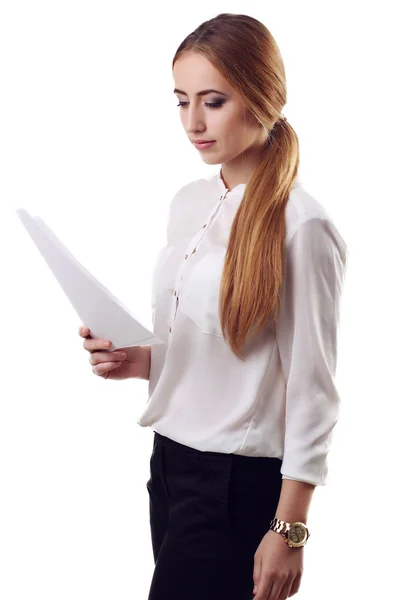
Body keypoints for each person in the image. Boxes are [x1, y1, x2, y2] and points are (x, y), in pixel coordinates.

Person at [79, 12, 349, 600]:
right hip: (170, 466)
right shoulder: (189, 202)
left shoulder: (303, 226)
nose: (193, 122)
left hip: (238, 483)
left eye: (214, 101)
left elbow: (312, 388)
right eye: (180, 101)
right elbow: (218, 349)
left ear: (261, 97)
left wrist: (291, 528)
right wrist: (140, 361)